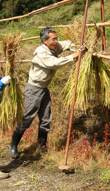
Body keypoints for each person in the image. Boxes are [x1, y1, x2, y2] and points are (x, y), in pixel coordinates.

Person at [9, 26, 86, 159]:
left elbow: (66, 44)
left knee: (45, 118)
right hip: (34, 89)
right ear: (45, 41)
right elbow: (54, 63)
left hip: (44, 88)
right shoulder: (41, 53)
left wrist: (77, 48)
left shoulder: (53, 46)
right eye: (53, 39)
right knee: (27, 118)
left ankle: (42, 146)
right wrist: (73, 56)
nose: (56, 41)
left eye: (56, 38)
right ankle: (13, 144)